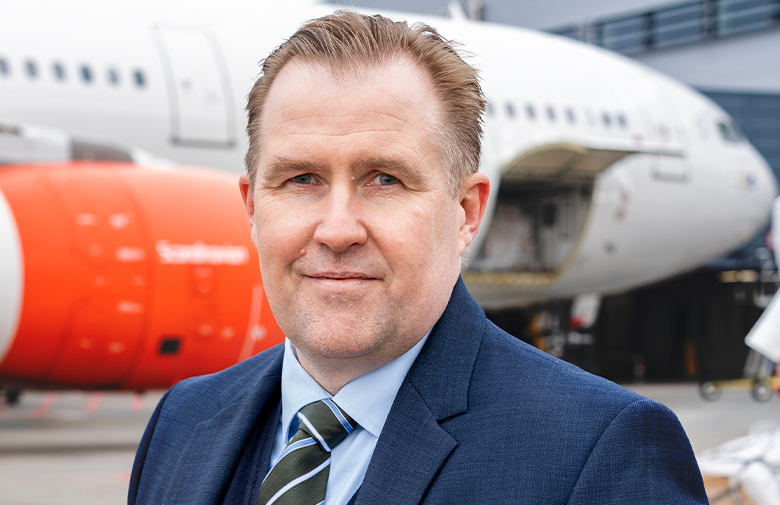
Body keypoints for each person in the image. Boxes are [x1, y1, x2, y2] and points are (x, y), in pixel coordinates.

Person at [129, 11, 707, 505]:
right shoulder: (181, 422)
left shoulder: (602, 451)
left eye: (385, 179)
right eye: (301, 179)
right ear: (253, 208)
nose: (337, 231)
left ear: (465, 212)